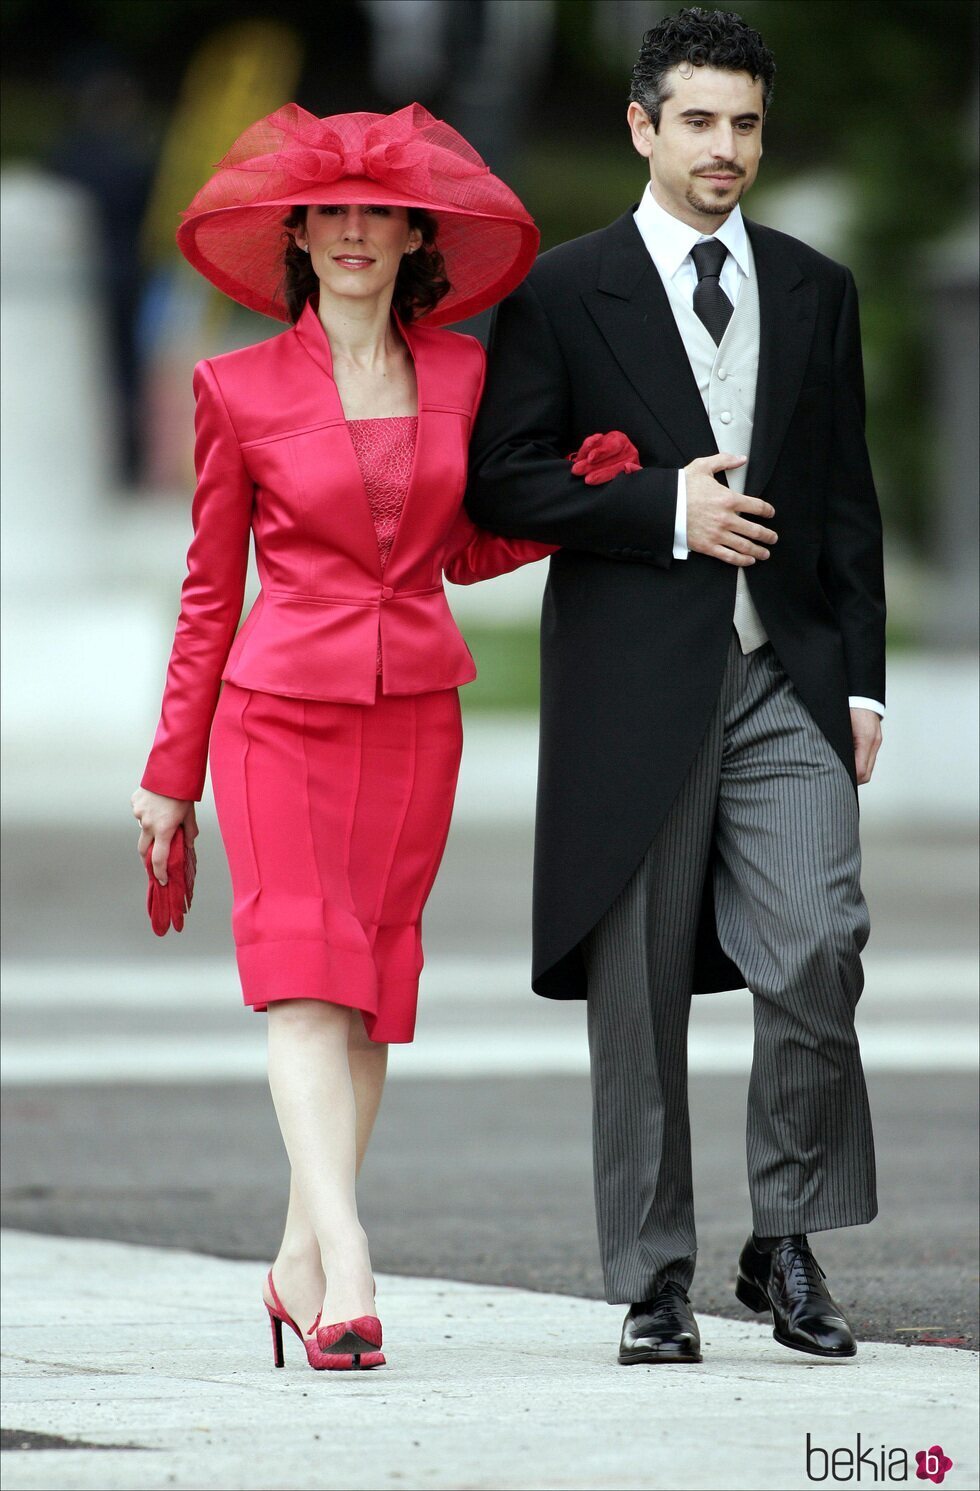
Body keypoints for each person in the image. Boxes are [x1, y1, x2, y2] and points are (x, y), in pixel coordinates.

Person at [466, 6, 885, 1364]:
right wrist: (661, 506)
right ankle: (654, 1277)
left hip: (786, 679)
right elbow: (506, 478)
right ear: (643, 126)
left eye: (746, 122)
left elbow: (850, 511)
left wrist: (862, 684)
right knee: (636, 995)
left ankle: (786, 1235)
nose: (725, 146)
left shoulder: (819, 289)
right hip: (632, 687)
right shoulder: (560, 290)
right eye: (697, 120)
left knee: (819, 940)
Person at [130, 102, 552, 1372]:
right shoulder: (233, 387)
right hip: (275, 720)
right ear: (298, 233)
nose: (356, 230)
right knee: (305, 987)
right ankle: (351, 1272)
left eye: (380, 210)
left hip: (416, 717)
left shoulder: (468, 374)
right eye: (333, 211)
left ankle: (297, 1260)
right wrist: (170, 775)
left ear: (415, 230)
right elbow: (209, 594)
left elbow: (460, 548)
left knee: (368, 1000)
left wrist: (567, 502)